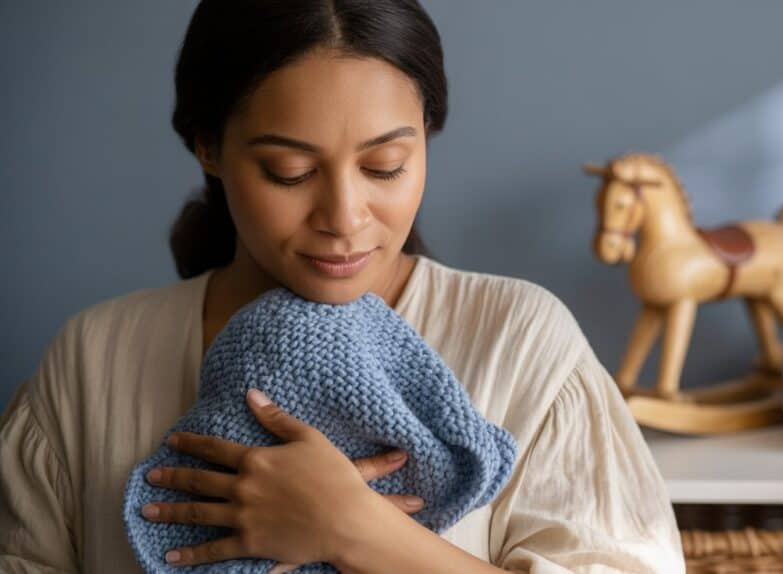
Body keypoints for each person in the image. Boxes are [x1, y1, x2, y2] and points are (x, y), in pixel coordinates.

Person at [0, 1, 685, 572]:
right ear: (209, 146)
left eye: (385, 166)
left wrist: (357, 531)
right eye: (290, 172)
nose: (344, 219)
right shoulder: (95, 358)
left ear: (427, 137)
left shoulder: (519, 338)